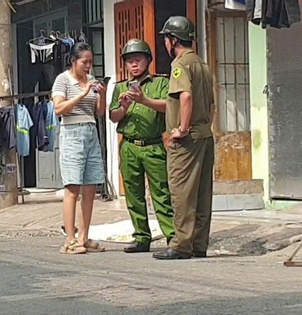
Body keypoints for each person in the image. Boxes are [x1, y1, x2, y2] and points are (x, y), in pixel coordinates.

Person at [153, 16, 215, 260]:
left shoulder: (180, 65)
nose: (166, 44)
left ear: (173, 40)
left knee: (181, 191)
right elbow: (211, 104)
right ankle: (199, 244)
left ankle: (181, 244)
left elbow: (186, 96)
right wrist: (204, 126)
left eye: (166, 39)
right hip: (205, 135)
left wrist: (182, 128)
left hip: (187, 140)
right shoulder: (202, 64)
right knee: (201, 192)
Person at [108, 39, 175, 253]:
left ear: (148, 60)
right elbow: (113, 116)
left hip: (154, 145)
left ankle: (172, 237)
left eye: (138, 60)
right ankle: (141, 236)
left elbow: (168, 106)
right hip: (128, 145)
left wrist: (143, 99)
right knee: (133, 194)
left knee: (161, 193)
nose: (134, 65)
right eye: (129, 61)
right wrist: (125, 106)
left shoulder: (160, 83)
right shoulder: (120, 87)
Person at [52, 42, 108, 254]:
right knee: (72, 187)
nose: (88, 66)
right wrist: (82, 94)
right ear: (73, 61)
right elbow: (59, 109)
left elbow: (99, 112)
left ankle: (84, 236)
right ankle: (70, 239)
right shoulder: (63, 80)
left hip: (91, 132)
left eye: (90, 62)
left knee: (91, 186)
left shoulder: (91, 81)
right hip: (72, 132)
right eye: (84, 62)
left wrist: (101, 95)